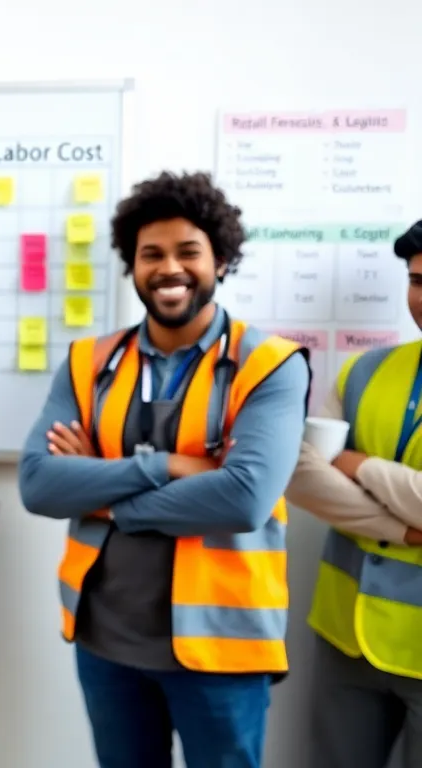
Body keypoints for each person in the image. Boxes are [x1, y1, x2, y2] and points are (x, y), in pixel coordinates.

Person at [17, 171, 310, 768]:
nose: (168, 268)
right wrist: (170, 464)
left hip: (222, 642)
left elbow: (244, 499)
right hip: (106, 634)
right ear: (132, 266)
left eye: (187, 252)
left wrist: (101, 486)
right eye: (151, 254)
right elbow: (39, 484)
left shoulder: (270, 365)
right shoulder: (87, 362)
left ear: (221, 260)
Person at [284, 219, 422, 768]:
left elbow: (333, 467)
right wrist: (403, 527)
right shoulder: (365, 371)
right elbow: (302, 474)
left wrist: (357, 463)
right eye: (417, 281)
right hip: (346, 636)